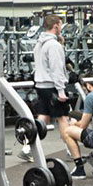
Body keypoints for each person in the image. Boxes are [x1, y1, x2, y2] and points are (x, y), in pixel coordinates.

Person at [32, 13, 78, 171]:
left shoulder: (39, 43)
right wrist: (61, 91)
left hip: (41, 86)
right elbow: (56, 69)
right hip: (52, 87)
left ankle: (28, 148)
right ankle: (73, 152)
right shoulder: (53, 45)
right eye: (60, 25)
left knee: (43, 117)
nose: (61, 28)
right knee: (63, 118)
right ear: (56, 26)